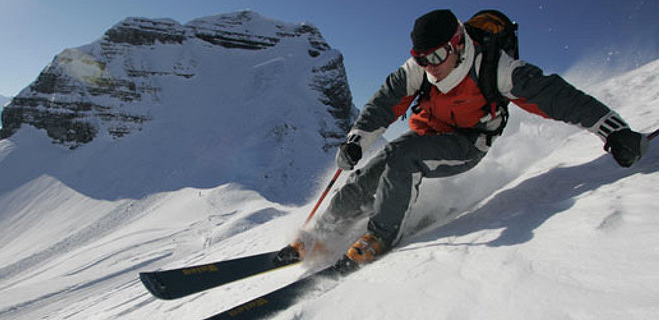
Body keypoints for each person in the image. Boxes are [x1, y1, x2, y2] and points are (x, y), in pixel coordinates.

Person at [277, 9, 648, 266]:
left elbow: (559, 98)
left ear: (457, 43)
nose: (430, 66)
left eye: (437, 55)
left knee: (403, 162)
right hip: (427, 131)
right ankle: (323, 232)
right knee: (373, 168)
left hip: (467, 143)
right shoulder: (420, 68)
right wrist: (357, 140)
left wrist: (613, 130)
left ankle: (380, 235)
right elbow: (384, 101)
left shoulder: (497, 68)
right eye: (421, 58)